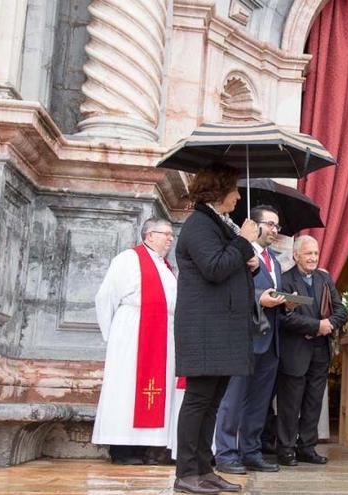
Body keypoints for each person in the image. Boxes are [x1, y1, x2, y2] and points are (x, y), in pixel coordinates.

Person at [173, 165, 259, 495]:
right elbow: (214, 268)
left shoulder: (217, 224)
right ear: (218, 191)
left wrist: (247, 261)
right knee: (198, 400)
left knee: (212, 402)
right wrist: (243, 243)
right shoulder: (198, 225)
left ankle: (204, 469)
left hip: (223, 329)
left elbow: (228, 266)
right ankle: (185, 473)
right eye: (234, 189)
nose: (238, 195)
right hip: (205, 330)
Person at [92, 218, 177, 465]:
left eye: (171, 234)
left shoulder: (165, 266)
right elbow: (105, 297)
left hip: (161, 334)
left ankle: (146, 448)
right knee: (127, 389)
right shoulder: (128, 259)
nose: (170, 238)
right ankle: (121, 449)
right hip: (132, 335)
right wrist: (115, 335)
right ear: (149, 236)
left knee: (153, 391)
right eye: (166, 234)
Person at [214, 205, 290, 474]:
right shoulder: (239, 253)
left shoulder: (276, 261)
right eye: (269, 224)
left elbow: (274, 292)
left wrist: (285, 303)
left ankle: (251, 451)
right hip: (244, 337)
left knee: (259, 402)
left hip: (271, 341)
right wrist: (259, 297)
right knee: (233, 399)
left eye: (277, 226)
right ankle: (225, 453)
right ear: (253, 225)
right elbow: (230, 289)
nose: (274, 230)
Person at [276, 235, 347, 466]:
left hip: (320, 352)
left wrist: (329, 324)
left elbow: (340, 310)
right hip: (296, 351)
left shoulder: (324, 280)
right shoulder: (285, 281)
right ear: (296, 255)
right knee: (290, 403)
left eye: (315, 253)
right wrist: (317, 326)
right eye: (308, 253)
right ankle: (286, 449)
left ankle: (307, 447)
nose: (313, 258)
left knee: (313, 402)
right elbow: (284, 317)